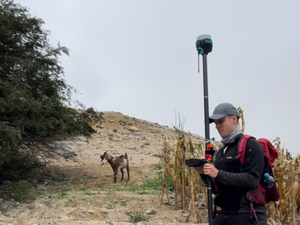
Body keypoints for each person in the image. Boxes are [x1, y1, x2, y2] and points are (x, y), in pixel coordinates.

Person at [194, 103, 267, 225]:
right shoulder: (221, 152)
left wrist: (218, 174)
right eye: (215, 123)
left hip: (246, 214)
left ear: (234, 119)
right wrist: (203, 173)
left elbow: (252, 179)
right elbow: (217, 189)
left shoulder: (250, 144)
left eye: (221, 121)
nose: (217, 126)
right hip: (225, 214)